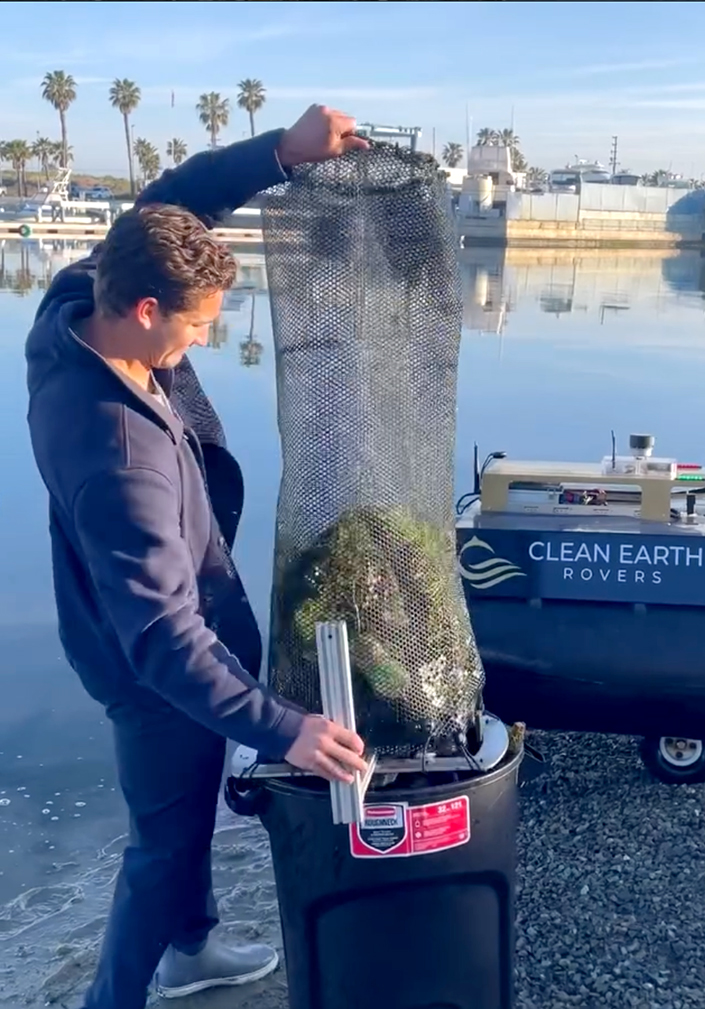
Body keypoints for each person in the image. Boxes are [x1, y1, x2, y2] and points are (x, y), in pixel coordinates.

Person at [24, 105, 370, 1009]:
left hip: (157, 621)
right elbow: (166, 644)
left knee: (183, 805)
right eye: (199, 323)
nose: (206, 338)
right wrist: (283, 726)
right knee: (164, 840)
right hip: (150, 670)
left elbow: (167, 204)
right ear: (145, 310)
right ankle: (117, 994)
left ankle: (194, 944)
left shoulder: (74, 302)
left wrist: (282, 154)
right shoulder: (116, 463)